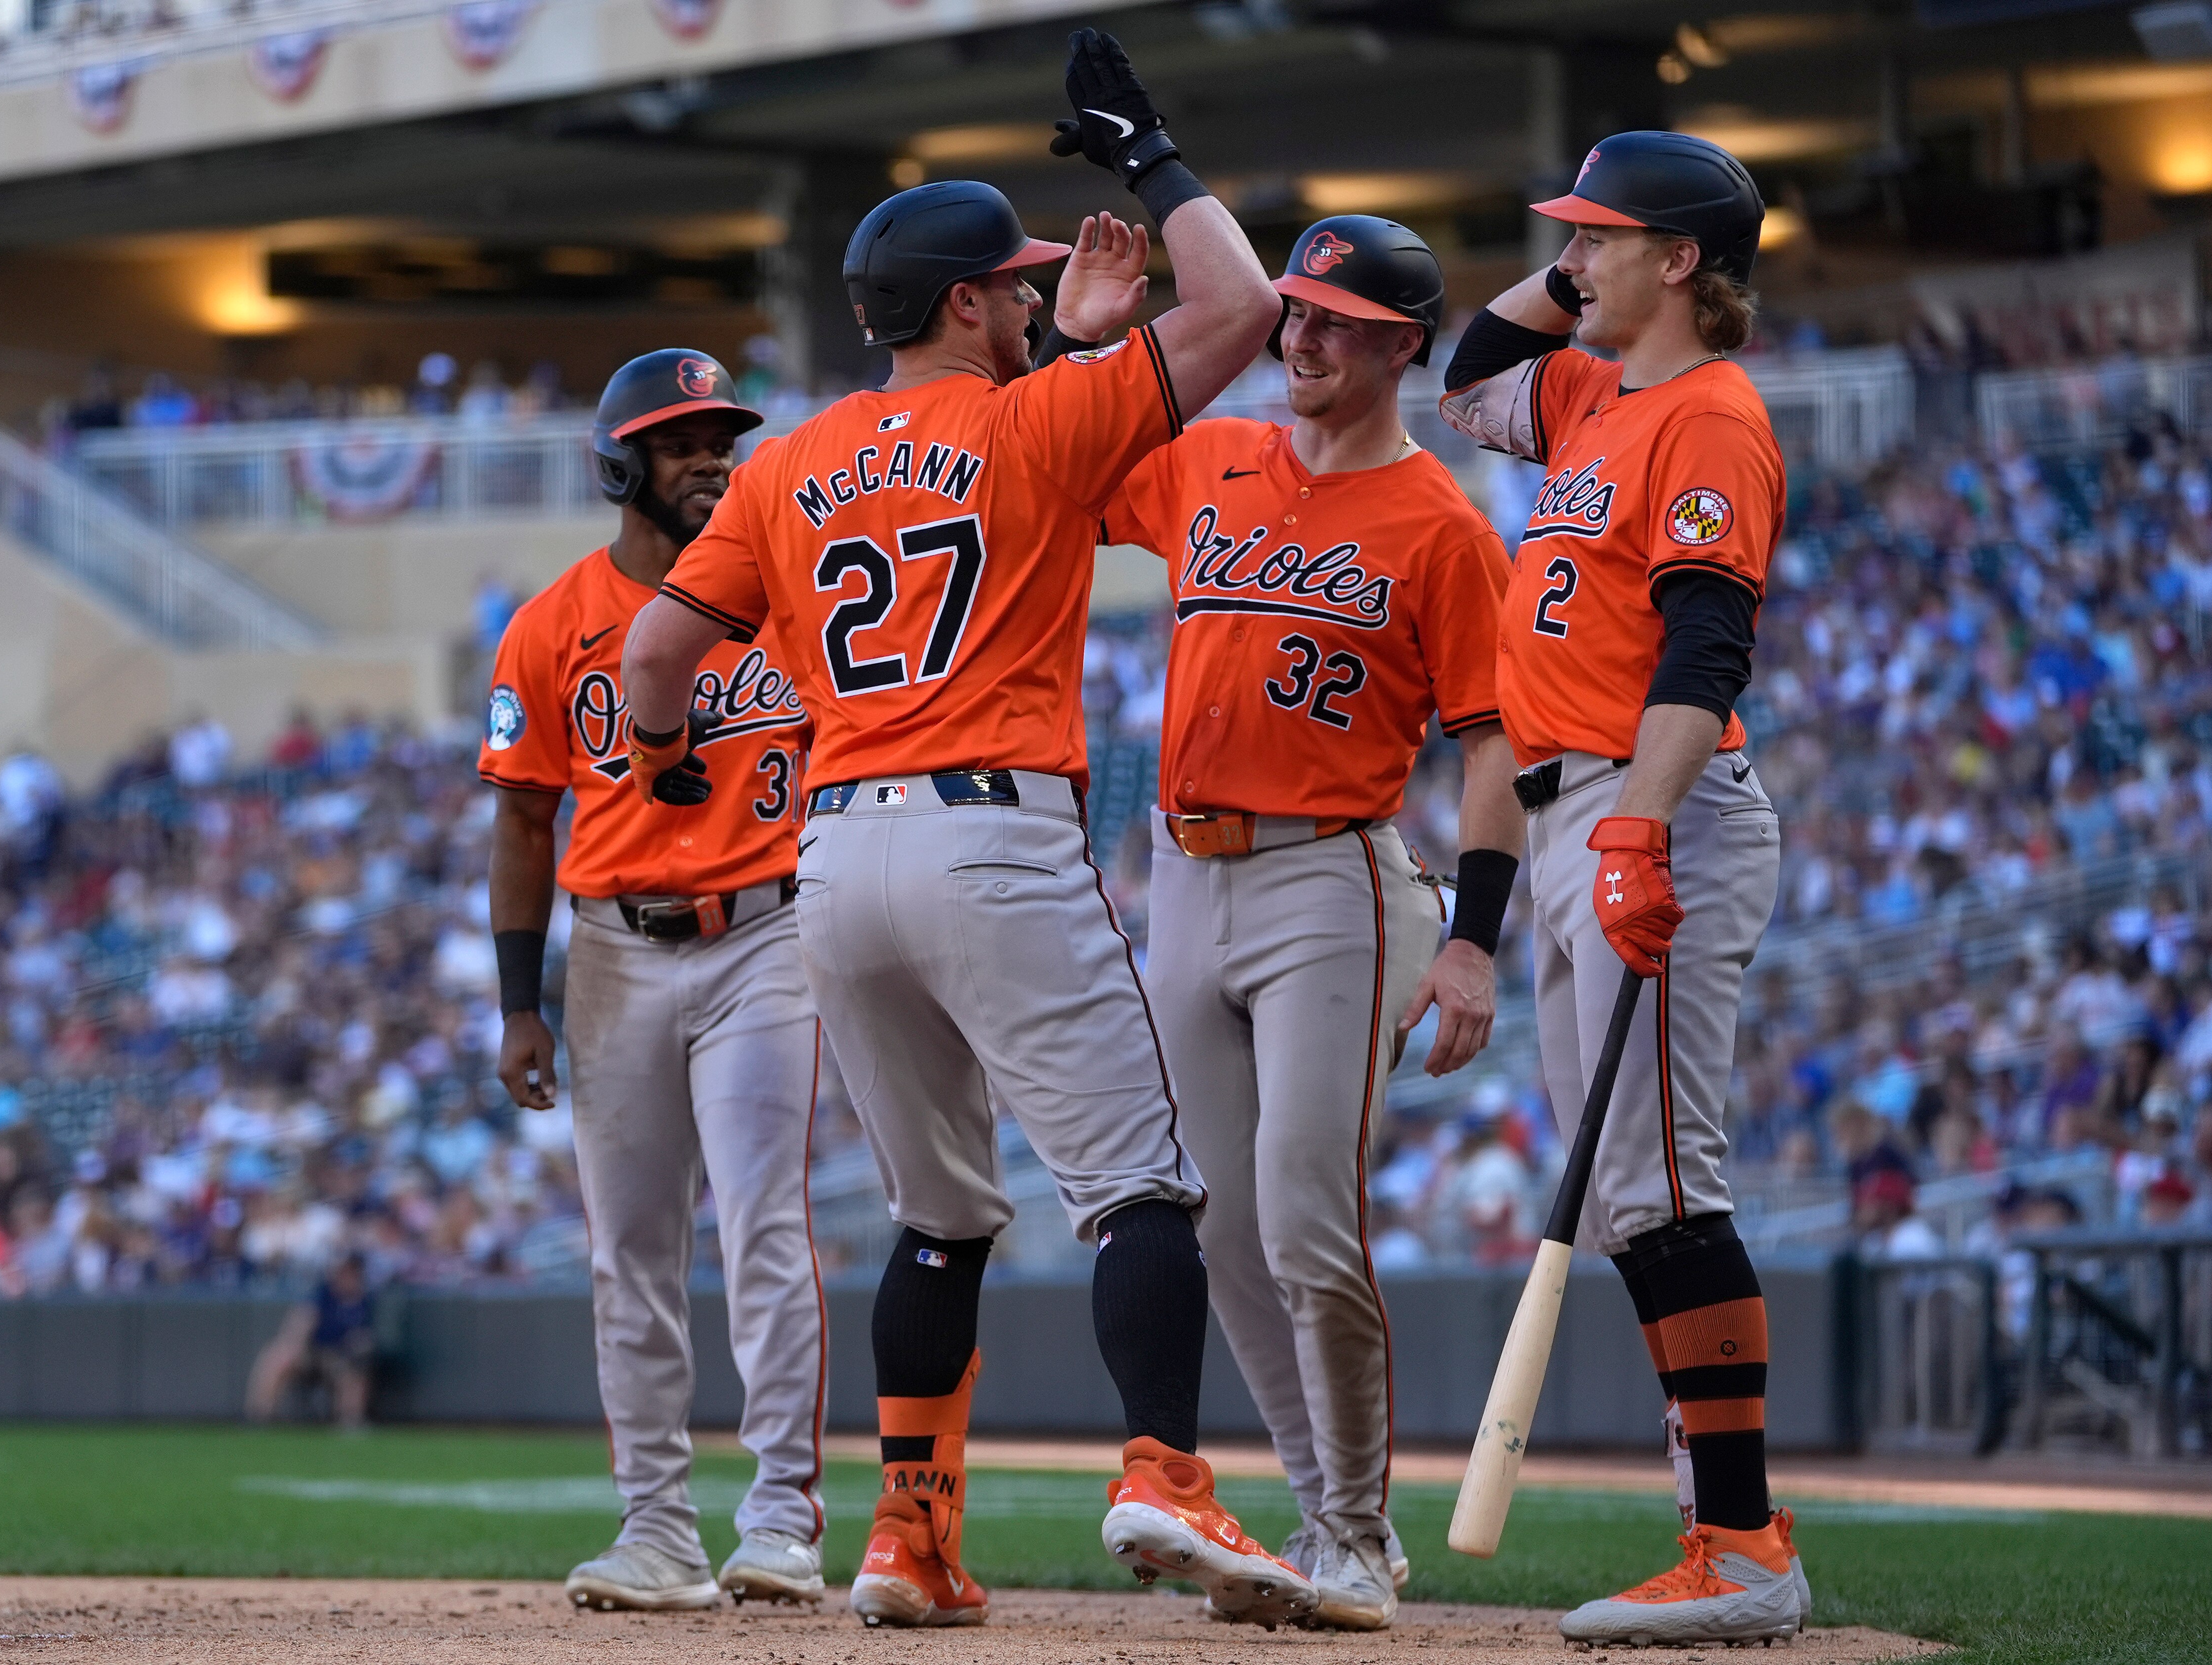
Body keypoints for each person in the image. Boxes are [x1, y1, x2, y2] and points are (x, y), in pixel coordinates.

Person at [621, 28, 1306, 1631]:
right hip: (991, 835)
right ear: (957, 306)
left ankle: (908, 1537)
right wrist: (1149, 154)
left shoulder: (781, 460)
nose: (1033, 297)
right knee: (1140, 1189)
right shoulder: (1030, 425)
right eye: (1009, 285)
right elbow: (1244, 310)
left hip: (834, 858)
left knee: (938, 1220)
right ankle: (1163, 1472)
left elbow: (657, 659)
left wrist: (662, 768)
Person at [1071, 215, 1521, 1630]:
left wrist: (1474, 937)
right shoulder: (1212, 459)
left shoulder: (1441, 523)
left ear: (1403, 341)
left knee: (1308, 1214)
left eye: (1335, 317)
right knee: (1222, 1229)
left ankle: (1349, 1522)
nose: (1301, 335)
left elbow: (1495, 748)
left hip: (1331, 874)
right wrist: (1091, 340)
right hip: (1186, 876)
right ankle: (1329, 1508)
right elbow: (1063, 459)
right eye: (1297, 312)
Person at [1439, 130, 1812, 1647]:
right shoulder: (1597, 390)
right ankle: (1713, 1526)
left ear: (1679, 261)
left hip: (1646, 806)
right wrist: (1575, 278)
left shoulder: (1710, 420)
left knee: (1662, 1181)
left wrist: (1640, 826)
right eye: (1566, 238)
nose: (1566, 260)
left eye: (1596, 238)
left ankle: (1738, 1541)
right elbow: (1465, 375)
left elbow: (1705, 648)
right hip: (1570, 809)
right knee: (1624, 1192)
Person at [484, 349, 828, 1613]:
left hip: (764, 934)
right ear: (620, 463)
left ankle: (784, 1515)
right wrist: (518, 1001)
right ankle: (658, 1533)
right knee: (629, 1251)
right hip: (614, 950)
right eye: (684, 442)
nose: (712, 460)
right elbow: (522, 827)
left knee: (763, 1230)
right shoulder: (552, 624)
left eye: (721, 438)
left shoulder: (787, 602)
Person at [244, 1252, 377, 1428]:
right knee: (276, 1357)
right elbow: (301, 1323)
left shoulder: (364, 1301)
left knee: (354, 1369)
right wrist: (294, 1346)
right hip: (311, 1353)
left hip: (340, 1357)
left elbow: (366, 1338)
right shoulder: (323, 1295)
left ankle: (351, 1421)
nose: (347, 1276)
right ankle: (259, 1417)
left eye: (352, 1272)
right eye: (343, 1271)